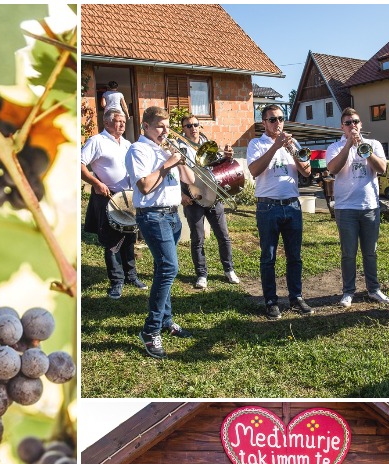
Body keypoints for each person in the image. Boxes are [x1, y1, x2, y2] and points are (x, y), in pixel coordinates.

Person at [127, 105, 193, 360]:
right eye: (160, 126)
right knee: (169, 269)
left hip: (172, 215)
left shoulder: (167, 149)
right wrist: (166, 165)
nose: (166, 131)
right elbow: (144, 187)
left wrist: (181, 160)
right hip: (153, 216)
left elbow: (188, 180)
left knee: (161, 268)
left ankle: (166, 321)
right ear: (145, 127)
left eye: (167, 126)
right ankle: (150, 329)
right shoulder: (138, 149)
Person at [246, 104, 313, 318]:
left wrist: (292, 150)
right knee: (269, 256)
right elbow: (254, 170)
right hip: (268, 206)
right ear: (264, 123)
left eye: (281, 119)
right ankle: (271, 301)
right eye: (272, 119)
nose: (278, 123)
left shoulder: (293, 143)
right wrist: (275, 147)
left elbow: (307, 171)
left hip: (292, 205)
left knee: (295, 256)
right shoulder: (256, 143)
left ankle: (296, 297)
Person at [324, 109, 389, 308]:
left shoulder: (374, 144)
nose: (353, 125)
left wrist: (363, 147)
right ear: (342, 127)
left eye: (355, 121)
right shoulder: (334, 146)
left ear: (361, 124)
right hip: (345, 208)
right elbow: (333, 169)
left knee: (370, 252)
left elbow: (382, 169)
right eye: (348, 123)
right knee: (348, 252)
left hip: (370, 206)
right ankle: (348, 291)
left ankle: (373, 289)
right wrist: (348, 145)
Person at [81, 109, 143, 299]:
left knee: (130, 238)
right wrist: (97, 183)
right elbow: (79, 163)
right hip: (108, 196)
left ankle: (131, 275)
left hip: (128, 197)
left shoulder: (127, 144)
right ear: (107, 123)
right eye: (118, 121)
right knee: (112, 241)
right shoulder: (96, 141)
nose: (122, 124)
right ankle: (116, 281)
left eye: (124, 121)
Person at [176, 114, 238, 289]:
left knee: (223, 236)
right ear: (183, 129)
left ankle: (229, 269)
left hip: (213, 197)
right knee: (198, 238)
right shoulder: (179, 147)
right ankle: (201, 274)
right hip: (192, 198)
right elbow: (175, 175)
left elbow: (218, 168)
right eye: (188, 126)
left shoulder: (208, 144)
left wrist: (227, 157)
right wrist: (182, 195)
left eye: (195, 125)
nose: (193, 128)